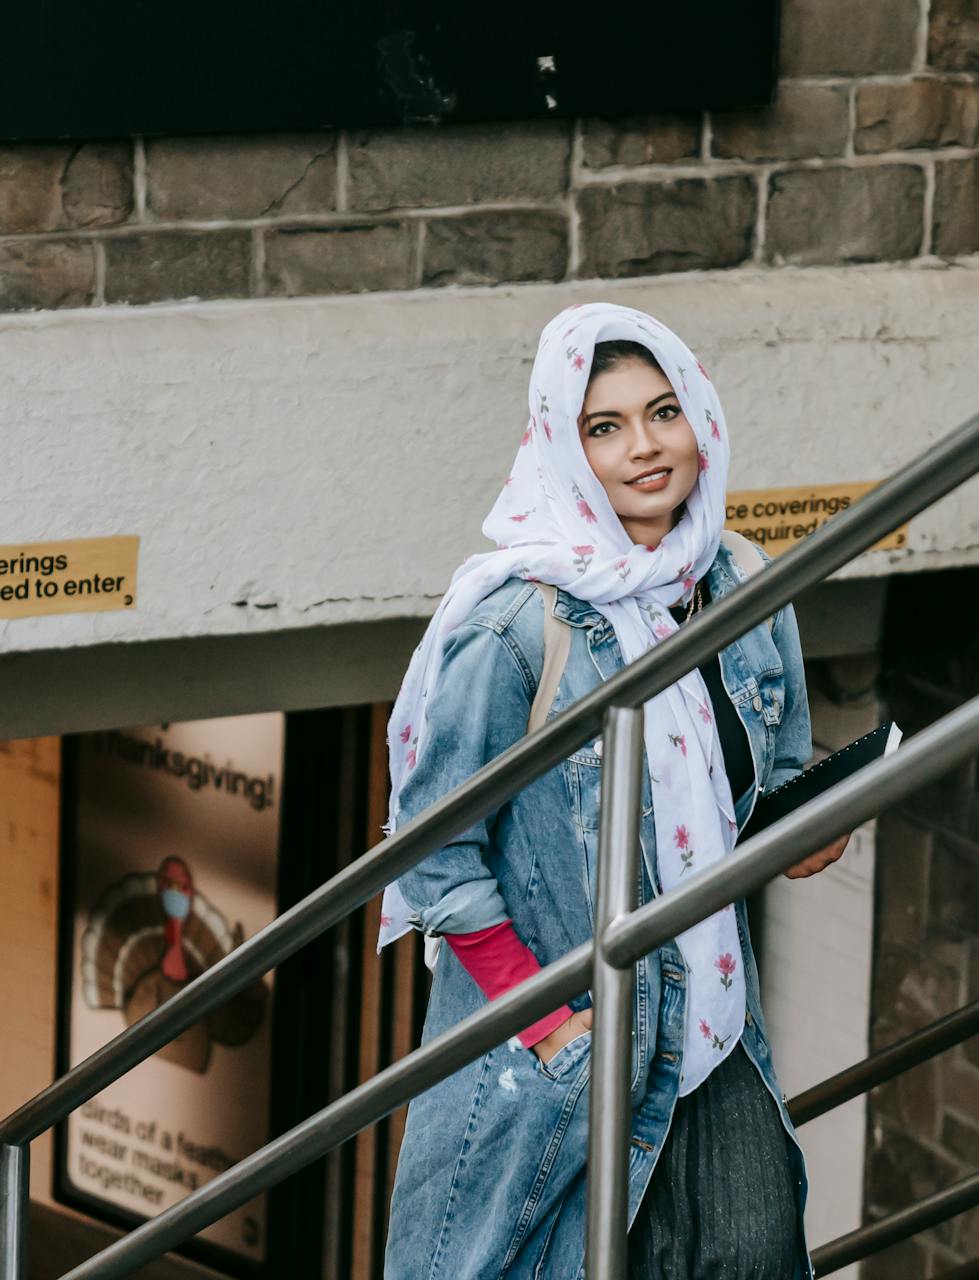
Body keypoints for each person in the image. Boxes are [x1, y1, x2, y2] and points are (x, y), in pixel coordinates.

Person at [376, 303, 850, 1279]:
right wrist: (545, 1019)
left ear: (701, 419)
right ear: (561, 443)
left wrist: (808, 824)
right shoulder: (516, 627)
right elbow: (432, 855)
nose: (646, 446)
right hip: (567, 1055)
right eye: (605, 426)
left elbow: (768, 779)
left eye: (664, 411)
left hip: (715, 1032)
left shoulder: (743, 581)